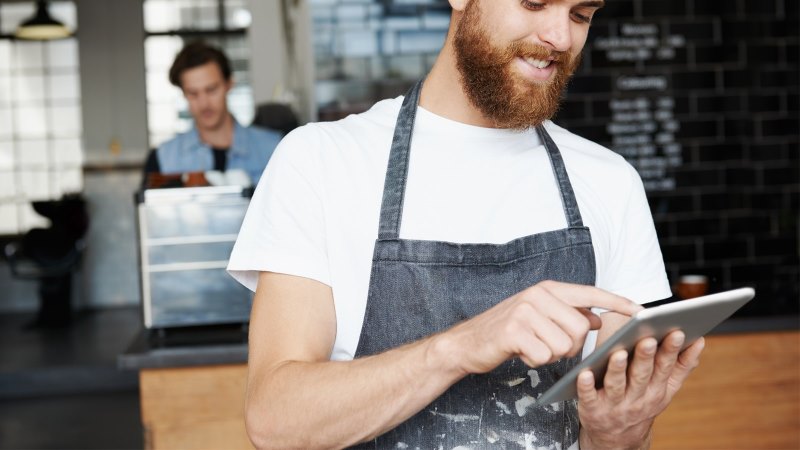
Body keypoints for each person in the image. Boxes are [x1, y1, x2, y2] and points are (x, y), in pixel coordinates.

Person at [228, 0, 705, 448]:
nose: (560, 37)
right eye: (534, 3)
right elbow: (274, 420)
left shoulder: (610, 182)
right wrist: (459, 348)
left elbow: (614, 441)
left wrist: (615, 433)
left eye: (580, 14)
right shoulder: (321, 162)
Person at [142, 41, 282, 187]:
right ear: (183, 94)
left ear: (229, 84)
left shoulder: (275, 149)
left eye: (211, 90)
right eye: (193, 93)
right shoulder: (162, 158)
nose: (204, 104)